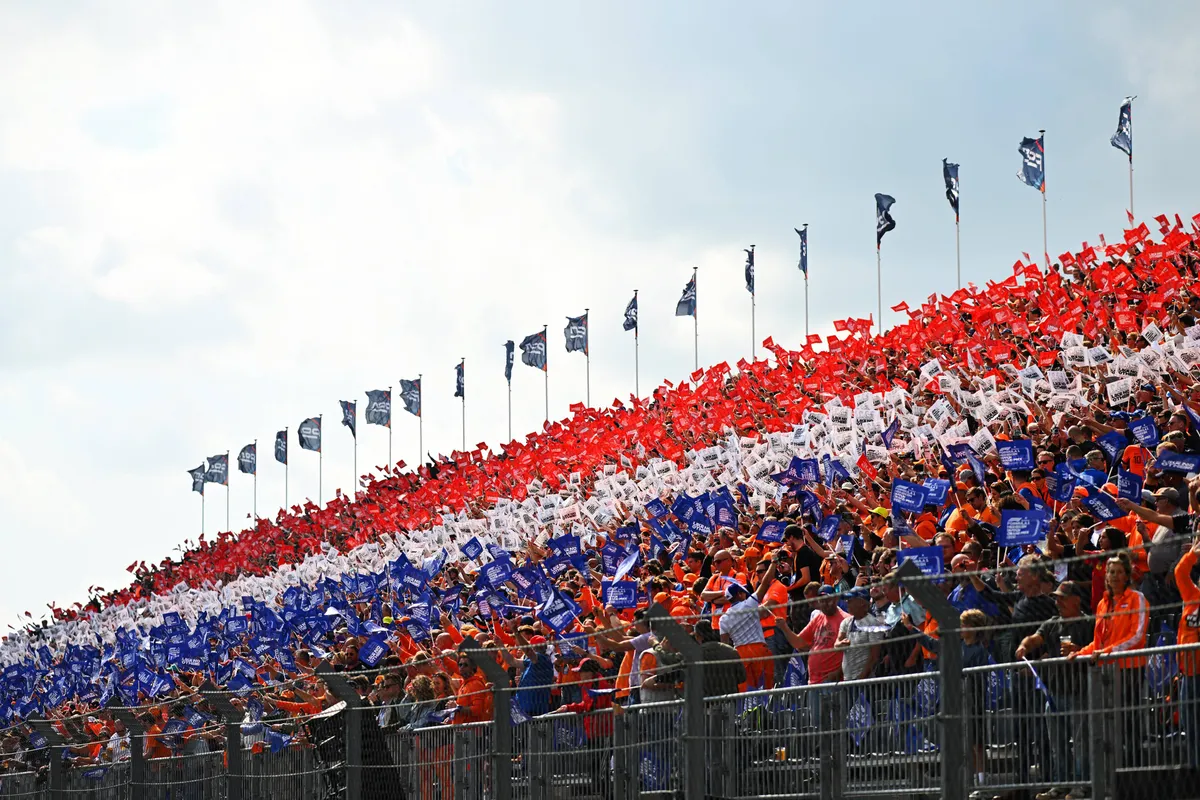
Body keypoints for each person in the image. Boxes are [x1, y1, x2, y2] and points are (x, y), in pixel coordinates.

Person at [1018, 581, 1094, 800]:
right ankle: (1061, 784)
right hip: (1054, 694)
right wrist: (1025, 645)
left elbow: (1097, 648)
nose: (1057, 602)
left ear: (1076, 600)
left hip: (1079, 691)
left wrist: (1079, 650)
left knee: (1080, 743)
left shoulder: (1088, 623)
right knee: (1057, 743)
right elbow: (1035, 638)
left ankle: (1081, 785)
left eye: (1062, 597)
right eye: (1056, 597)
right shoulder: (1052, 623)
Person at [718, 554, 781, 691]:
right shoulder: (749, 604)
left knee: (746, 693)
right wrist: (774, 562)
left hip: (740, 654)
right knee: (766, 689)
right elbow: (765, 582)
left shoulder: (723, 619)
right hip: (759, 649)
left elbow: (724, 645)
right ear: (739, 595)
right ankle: (766, 712)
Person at [1175, 536, 1200, 769]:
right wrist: (1193, 554)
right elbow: (1180, 572)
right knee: (1189, 725)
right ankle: (1195, 770)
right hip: (1187, 674)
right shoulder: (1193, 596)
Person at [835, 587, 885, 682]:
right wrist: (840, 644)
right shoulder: (846, 622)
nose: (847, 603)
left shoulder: (872, 623)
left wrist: (861, 679)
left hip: (865, 681)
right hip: (847, 679)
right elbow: (836, 644)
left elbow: (874, 656)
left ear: (861, 602)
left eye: (850, 600)